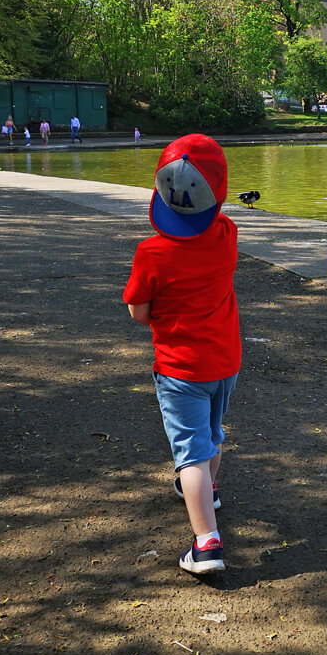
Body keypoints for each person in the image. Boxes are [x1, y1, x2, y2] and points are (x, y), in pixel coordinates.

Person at [122, 134, 241, 575]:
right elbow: (220, 218)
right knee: (211, 435)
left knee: (189, 451)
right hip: (225, 362)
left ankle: (206, 543)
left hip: (179, 368)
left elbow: (139, 312)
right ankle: (207, 490)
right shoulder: (227, 235)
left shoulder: (151, 252)